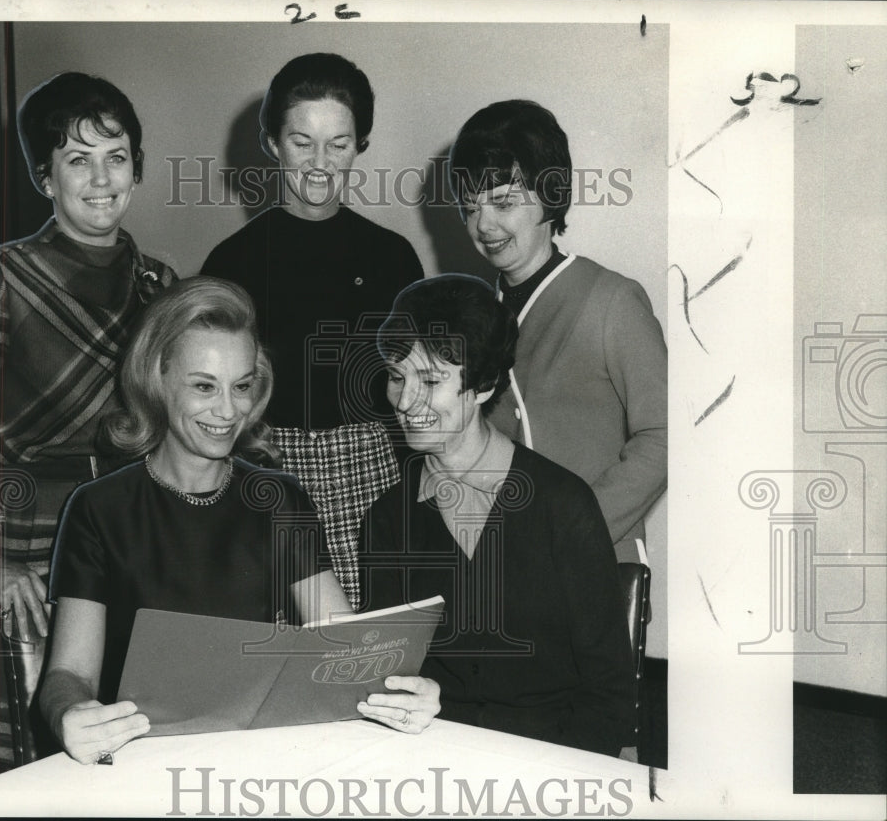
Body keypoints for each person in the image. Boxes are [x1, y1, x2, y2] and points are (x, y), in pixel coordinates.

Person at [41, 278, 440, 763]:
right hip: (137, 758)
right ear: (157, 379)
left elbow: (344, 648)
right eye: (204, 386)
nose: (228, 410)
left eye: (242, 386)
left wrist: (402, 693)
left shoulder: (278, 499)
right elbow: (69, 674)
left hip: (253, 757)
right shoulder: (97, 508)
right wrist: (70, 713)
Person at [0, 72, 174, 766]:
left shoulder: (161, 284)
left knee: (127, 755)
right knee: (27, 772)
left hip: (125, 544)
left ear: (137, 167)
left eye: (116, 156)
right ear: (45, 178)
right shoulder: (1, 275)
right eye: (76, 159)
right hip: (26, 550)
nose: (101, 178)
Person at [359, 274, 635, 757]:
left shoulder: (562, 505)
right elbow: (385, 676)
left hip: (555, 760)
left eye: (430, 379)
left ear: (484, 384)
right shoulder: (387, 518)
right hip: (432, 758)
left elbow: (609, 699)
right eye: (397, 376)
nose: (404, 402)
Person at [448, 100, 667, 563]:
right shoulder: (474, 315)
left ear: (549, 196)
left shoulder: (612, 301)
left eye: (503, 202)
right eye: (470, 207)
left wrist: (572, 531)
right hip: (499, 570)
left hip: (594, 564)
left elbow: (665, 439)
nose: (483, 225)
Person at [200, 52, 423, 430]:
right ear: (273, 144)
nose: (320, 163)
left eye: (338, 145)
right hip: (262, 464)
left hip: (378, 468)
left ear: (360, 145)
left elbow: (417, 388)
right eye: (302, 143)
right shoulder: (230, 263)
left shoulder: (394, 257)